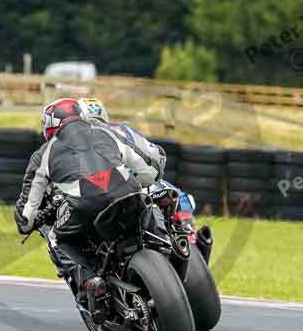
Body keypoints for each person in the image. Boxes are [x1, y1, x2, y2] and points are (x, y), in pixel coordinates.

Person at [14, 98, 160, 320]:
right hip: (128, 193)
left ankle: (89, 281)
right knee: (146, 211)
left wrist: (26, 224)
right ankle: (162, 253)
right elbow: (150, 170)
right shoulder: (108, 132)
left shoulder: (44, 153)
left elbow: (27, 211)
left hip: (84, 205)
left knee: (56, 238)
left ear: (49, 126)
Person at [77, 98, 214, 262]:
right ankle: (189, 238)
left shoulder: (72, 142)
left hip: (104, 197)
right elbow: (155, 154)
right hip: (139, 184)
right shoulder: (123, 130)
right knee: (180, 198)